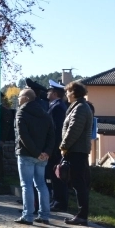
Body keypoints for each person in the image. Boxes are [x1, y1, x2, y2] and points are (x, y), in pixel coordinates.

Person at [14, 89, 55, 225]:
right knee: (41, 184)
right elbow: (52, 135)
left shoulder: (21, 112)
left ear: (26, 98)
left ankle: (28, 216)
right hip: (42, 156)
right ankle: (44, 215)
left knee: (26, 185)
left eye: (19, 96)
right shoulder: (45, 113)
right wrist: (46, 152)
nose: (18, 99)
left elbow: (23, 136)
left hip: (26, 154)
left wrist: (36, 152)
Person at [59, 81, 93, 226]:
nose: (66, 94)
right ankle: (81, 214)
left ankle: (82, 215)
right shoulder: (79, 107)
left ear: (73, 93)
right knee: (78, 183)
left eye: (67, 91)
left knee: (79, 183)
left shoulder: (80, 108)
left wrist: (64, 146)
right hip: (77, 150)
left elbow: (74, 130)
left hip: (77, 151)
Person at [47, 80, 69, 212]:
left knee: (57, 175)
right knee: (54, 176)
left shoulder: (58, 107)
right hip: (55, 147)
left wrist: (53, 148)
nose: (47, 93)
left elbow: (56, 130)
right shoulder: (56, 106)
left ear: (55, 93)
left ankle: (59, 202)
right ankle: (56, 200)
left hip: (55, 148)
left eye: (50, 91)